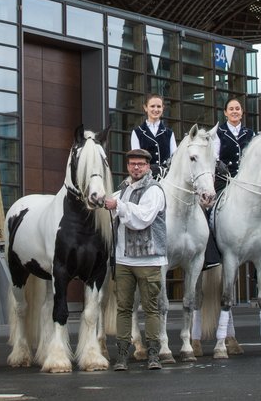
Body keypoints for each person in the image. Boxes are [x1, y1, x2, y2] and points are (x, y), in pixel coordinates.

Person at [105, 148, 167, 371]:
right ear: (128, 166)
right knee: (123, 308)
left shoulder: (154, 190)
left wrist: (118, 206)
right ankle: (121, 355)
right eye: (132, 164)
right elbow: (108, 208)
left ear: (148, 167)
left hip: (149, 260)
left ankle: (153, 355)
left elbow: (143, 218)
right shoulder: (122, 189)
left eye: (140, 164)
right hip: (123, 259)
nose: (136, 168)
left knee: (151, 309)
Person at [206, 98, 256, 270]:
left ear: (242, 112)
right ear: (225, 112)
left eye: (237, 108)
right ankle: (210, 254)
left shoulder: (251, 134)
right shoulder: (218, 133)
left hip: (247, 183)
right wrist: (220, 165)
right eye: (231, 109)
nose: (235, 111)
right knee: (208, 207)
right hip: (224, 180)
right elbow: (214, 156)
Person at [131, 94, 177, 177]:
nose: (156, 109)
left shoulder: (169, 133)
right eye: (152, 106)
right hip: (145, 177)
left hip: (166, 177)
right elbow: (136, 159)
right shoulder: (137, 133)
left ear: (163, 108)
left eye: (159, 106)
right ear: (145, 108)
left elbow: (175, 158)